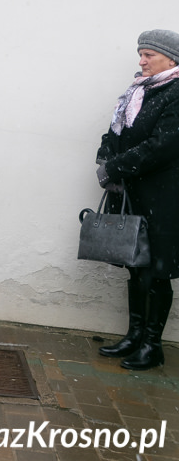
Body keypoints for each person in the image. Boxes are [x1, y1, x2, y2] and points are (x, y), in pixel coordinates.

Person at [95, 29, 179, 371]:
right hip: (133, 194)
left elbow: (162, 145)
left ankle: (152, 345)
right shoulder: (136, 91)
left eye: (149, 55)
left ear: (171, 59)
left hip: (164, 196)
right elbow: (116, 132)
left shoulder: (175, 93)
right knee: (136, 268)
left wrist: (115, 167)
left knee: (157, 271)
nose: (141, 60)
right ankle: (134, 335)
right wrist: (104, 157)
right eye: (140, 54)